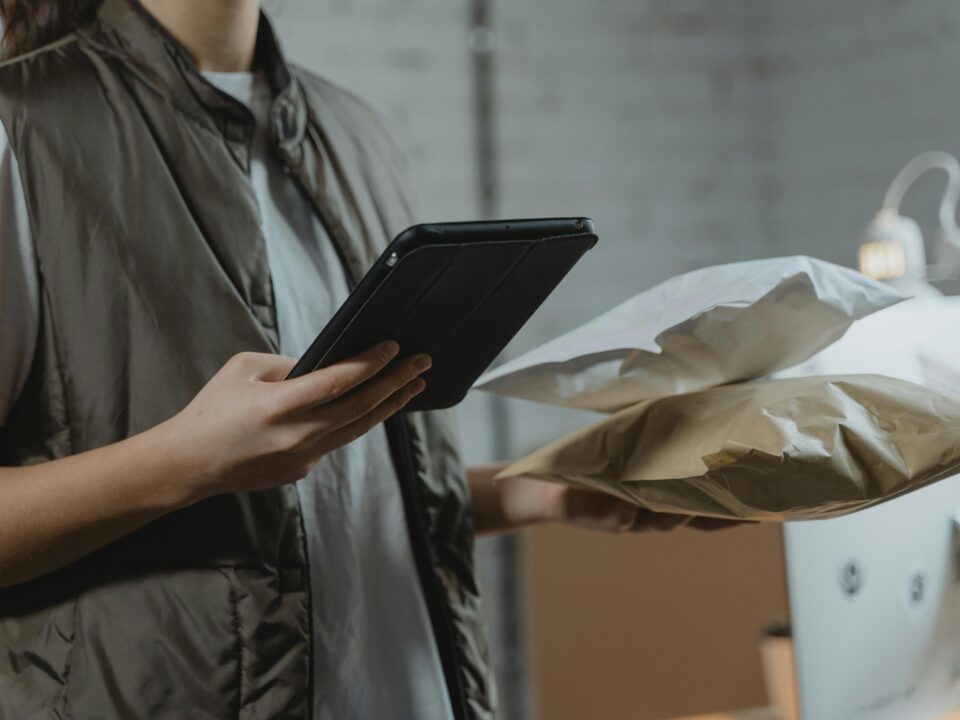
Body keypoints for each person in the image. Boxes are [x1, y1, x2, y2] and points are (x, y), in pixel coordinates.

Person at [0, 1, 733, 718]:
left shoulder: (356, 134)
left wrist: (542, 490)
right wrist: (184, 461)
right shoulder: (21, 127)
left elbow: (349, 489)